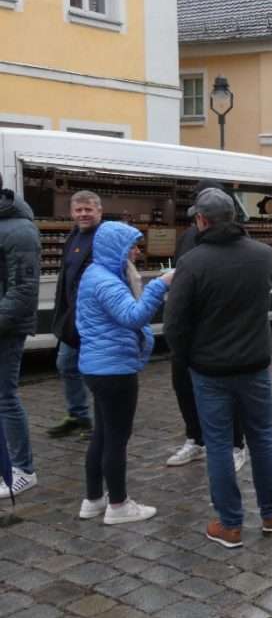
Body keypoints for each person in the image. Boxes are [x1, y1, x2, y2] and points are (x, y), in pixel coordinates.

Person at [163, 188, 272, 547]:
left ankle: (230, 524)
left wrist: (187, 357)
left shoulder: (192, 262)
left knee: (218, 444)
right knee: (261, 437)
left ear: (202, 221)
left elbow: (174, 323)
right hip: (254, 364)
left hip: (210, 369)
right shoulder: (262, 255)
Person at [76, 222, 172, 524]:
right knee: (116, 438)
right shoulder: (107, 282)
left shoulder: (95, 274)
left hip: (97, 367)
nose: (137, 252)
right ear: (116, 248)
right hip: (114, 370)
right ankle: (118, 505)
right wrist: (161, 284)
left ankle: (93, 499)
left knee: (102, 435)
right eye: (132, 246)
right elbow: (133, 316)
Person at [167, 180, 246, 472]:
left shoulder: (239, 240)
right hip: (189, 329)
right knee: (183, 386)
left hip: (220, 331)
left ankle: (236, 444)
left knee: (228, 392)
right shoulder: (187, 238)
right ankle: (195, 439)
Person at [47, 190, 101, 439]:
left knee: (95, 371)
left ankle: (99, 423)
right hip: (71, 315)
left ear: (99, 211)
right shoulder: (74, 235)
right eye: (78, 210)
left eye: (88, 209)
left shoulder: (102, 238)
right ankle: (78, 415)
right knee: (66, 364)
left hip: (91, 318)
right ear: (71, 212)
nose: (83, 214)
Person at [0, 182, 41, 499]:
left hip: (7, 329)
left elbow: (24, 290)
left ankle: (23, 470)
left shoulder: (20, 230)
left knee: (5, 397)